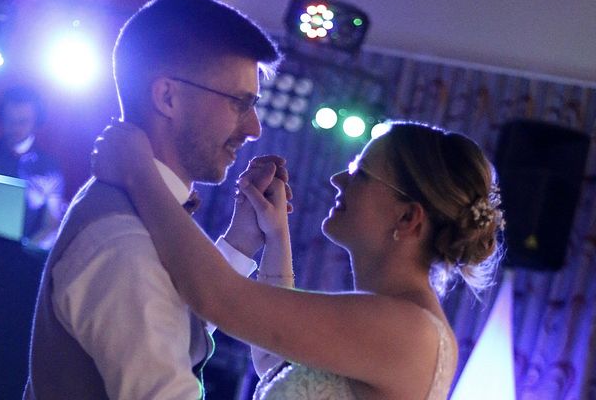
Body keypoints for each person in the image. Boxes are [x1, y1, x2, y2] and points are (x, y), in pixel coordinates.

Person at [91, 120, 505, 399]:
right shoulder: (406, 323)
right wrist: (274, 234)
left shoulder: (406, 329)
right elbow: (280, 365)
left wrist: (139, 173)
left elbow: (218, 298)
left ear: (408, 217)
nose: (338, 179)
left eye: (361, 174)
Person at [24, 0, 285, 399]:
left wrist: (240, 243)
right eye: (239, 102)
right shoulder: (123, 241)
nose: (253, 127)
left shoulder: (130, 214)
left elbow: (172, 321)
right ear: (167, 97)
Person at [0, 85, 65, 248]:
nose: (16, 127)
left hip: (19, 260)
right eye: (10, 120)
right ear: (1, 119)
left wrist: (28, 251)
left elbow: (52, 224)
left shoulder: (49, 168)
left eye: (23, 121)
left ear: (36, 121)